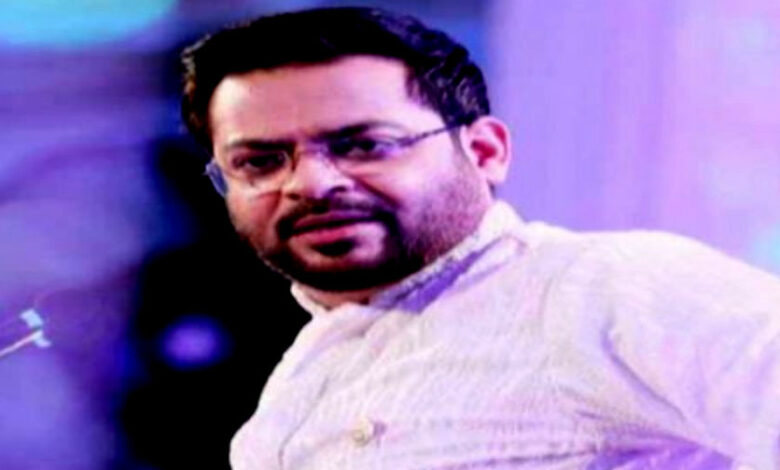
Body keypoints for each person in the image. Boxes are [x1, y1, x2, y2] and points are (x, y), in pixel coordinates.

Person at [180, 7, 780, 470]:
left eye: (364, 145)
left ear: (485, 151)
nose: (310, 184)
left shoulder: (598, 289)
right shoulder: (295, 390)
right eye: (259, 162)